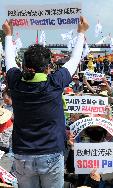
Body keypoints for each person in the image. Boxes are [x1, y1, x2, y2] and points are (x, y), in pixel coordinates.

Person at [3, 17, 89, 187]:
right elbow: (74, 61)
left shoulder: (15, 81)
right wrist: (81, 33)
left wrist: (8, 34)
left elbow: (9, 61)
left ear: (24, 65)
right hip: (51, 152)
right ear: (48, 67)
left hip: (22, 154)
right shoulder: (54, 83)